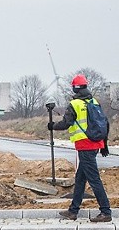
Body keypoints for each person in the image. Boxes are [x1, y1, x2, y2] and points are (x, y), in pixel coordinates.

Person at [48, 74, 112, 222]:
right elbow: (104, 123)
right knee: (80, 178)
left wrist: (52, 126)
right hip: (95, 143)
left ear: (75, 88)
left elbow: (66, 123)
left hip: (85, 145)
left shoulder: (75, 104)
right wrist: (104, 144)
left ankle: (106, 212)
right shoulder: (94, 101)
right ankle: (73, 210)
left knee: (94, 180)